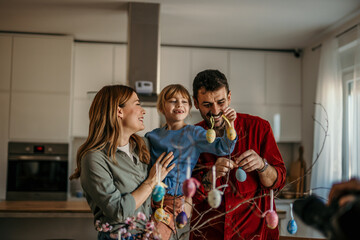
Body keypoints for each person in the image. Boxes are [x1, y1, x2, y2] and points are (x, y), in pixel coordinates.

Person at [190, 70, 287, 240]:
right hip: (207, 235)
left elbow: (278, 182)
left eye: (221, 102)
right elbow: (188, 194)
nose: (215, 111)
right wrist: (211, 176)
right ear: (195, 103)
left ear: (229, 97)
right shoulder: (191, 138)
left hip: (254, 234)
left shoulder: (259, 128)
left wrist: (262, 165)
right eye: (207, 105)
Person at [69, 85, 175, 240]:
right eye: (137, 104)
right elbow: (119, 211)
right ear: (119, 111)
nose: (143, 111)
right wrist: (152, 181)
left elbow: (180, 164)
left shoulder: (144, 145)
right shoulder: (94, 158)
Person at [145, 84, 237, 240]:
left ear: (189, 107)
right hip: (148, 196)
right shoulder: (152, 136)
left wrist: (231, 124)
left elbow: (224, 148)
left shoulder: (194, 133)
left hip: (171, 200)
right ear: (161, 107)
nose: (179, 104)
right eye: (173, 101)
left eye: (184, 101)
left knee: (154, 237)